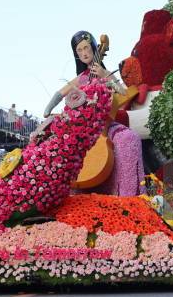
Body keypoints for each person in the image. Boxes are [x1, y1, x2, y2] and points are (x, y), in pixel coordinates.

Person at [42, 31, 145, 197]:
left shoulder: (104, 73)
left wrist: (105, 76)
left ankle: (128, 193)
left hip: (103, 125)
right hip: (81, 129)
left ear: (95, 49)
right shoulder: (81, 78)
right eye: (79, 50)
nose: (84, 53)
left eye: (86, 48)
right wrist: (49, 107)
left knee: (128, 138)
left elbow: (123, 93)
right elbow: (60, 93)